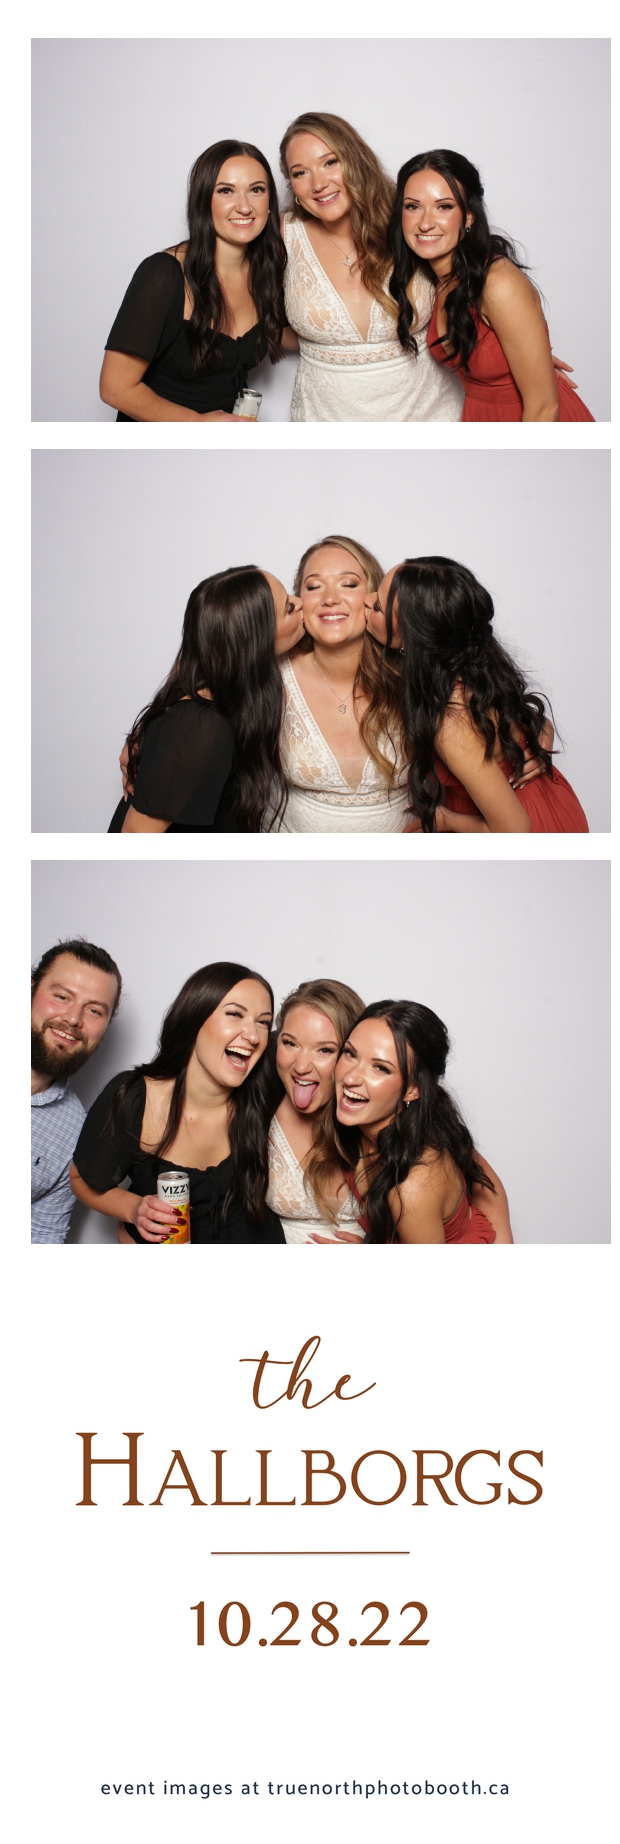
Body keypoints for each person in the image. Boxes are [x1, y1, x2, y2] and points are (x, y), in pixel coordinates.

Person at [367, 557, 589, 832]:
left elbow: (514, 830)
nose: (365, 599)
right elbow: (519, 719)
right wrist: (541, 730)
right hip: (550, 803)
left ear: (412, 637)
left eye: (377, 606)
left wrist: (445, 819)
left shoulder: (451, 722)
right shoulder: (470, 666)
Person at [70, 963, 285, 1244]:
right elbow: (81, 1180)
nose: (253, 1036)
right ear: (195, 1016)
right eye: (235, 1014)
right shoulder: (133, 1097)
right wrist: (134, 1209)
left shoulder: (267, 1086)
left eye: (263, 1022)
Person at [278, 113, 463, 423]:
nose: (318, 184)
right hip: (324, 423)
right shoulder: (281, 234)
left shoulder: (408, 217)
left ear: (356, 160)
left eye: (330, 162)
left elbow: (468, 278)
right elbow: (253, 317)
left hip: (430, 418)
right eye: (300, 173)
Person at [389, 150, 594, 422]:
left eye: (444, 206)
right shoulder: (437, 279)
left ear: (469, 216)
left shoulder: (498, 282)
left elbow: (545, 407)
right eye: (413, 207)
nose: (425, 223)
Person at [100, 140, 287, 422]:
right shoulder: (163, 274)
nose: (245, 206)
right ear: (203, 200)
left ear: (270, 203)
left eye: (256, 190)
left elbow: (298, 332)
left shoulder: (267, 274)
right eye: (226, 191)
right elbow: (115, 389)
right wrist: (199, 424)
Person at [110, 568, 303, 833]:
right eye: (289, 607)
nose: (301, 602)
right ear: (255, 640)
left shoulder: (224, 702)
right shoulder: (200, 728)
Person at [333, 1002, 513, 1244]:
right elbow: (489, 1185)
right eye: (350, 1054)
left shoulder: (412, 1186)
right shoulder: (422, 1123)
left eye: (380, 1068)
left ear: (412, 1089)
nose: (350, 1077)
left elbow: (489, 1193)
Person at [275, 534, 408, 831]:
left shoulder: (412, 675)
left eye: (348, 584)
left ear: (375, 597)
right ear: (298, 601)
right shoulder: (272, 676)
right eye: (314, 586)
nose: (330, 599)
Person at [31, 939, 122, 1244]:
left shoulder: (75, 1132)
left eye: (94, 1010)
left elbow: (42, 1234)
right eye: (61, 997)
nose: (73, 1019)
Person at [267, 979, 367, 1242]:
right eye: (290, 1043)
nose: (301, 1066)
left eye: (324, 1050)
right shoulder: (255, 1111)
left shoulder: (377, 1118)